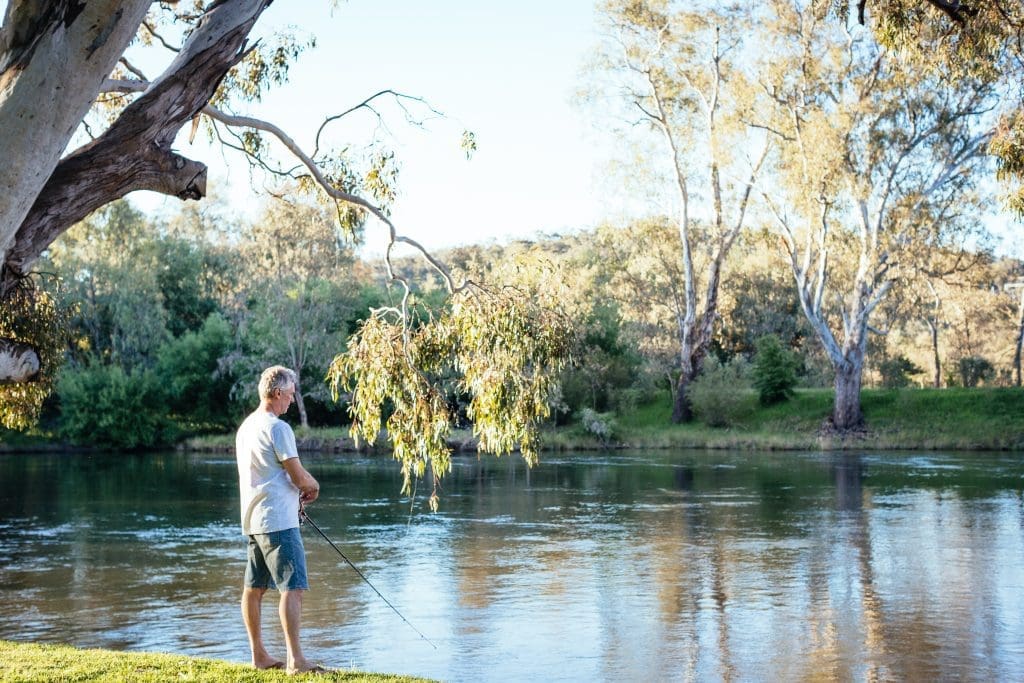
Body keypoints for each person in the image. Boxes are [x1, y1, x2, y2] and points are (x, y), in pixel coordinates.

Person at [235, 365, 325, 674]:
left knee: (254, 587)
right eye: (290, 394)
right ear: (277, 393)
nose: (292, 399)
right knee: (293, 587)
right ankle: (296, 661)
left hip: (253, 519)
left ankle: (258, 655)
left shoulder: (246, 427)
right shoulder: (278, 428)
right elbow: (298, 475)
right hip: (279, 521)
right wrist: (312, 487)